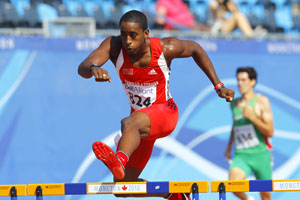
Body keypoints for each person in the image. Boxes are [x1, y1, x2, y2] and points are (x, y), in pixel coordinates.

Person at [78, 10, 235, 200]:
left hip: (165, 113)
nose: (127, 41)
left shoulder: (165, 48)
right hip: (140, 126)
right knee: (122, 188)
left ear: (146, 34)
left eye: (133, 35)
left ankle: (119, 159)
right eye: (123, 34)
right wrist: (94, 68)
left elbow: (195, 49)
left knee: (130, 122)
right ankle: (174, 195)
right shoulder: (114, 46)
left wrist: (218, 86)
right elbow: (83, 66)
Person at [224, 67, 273, 200]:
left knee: (266, 196)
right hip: (241, 156)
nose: (240, 83)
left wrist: (253, 118)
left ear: (253, 81)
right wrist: (229, 147)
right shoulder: (234, 104)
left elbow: (270, 131)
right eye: (238, 80)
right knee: (233, 184)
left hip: (260, 155)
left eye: (244, 80)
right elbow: (235, 126)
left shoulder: (262, 102)